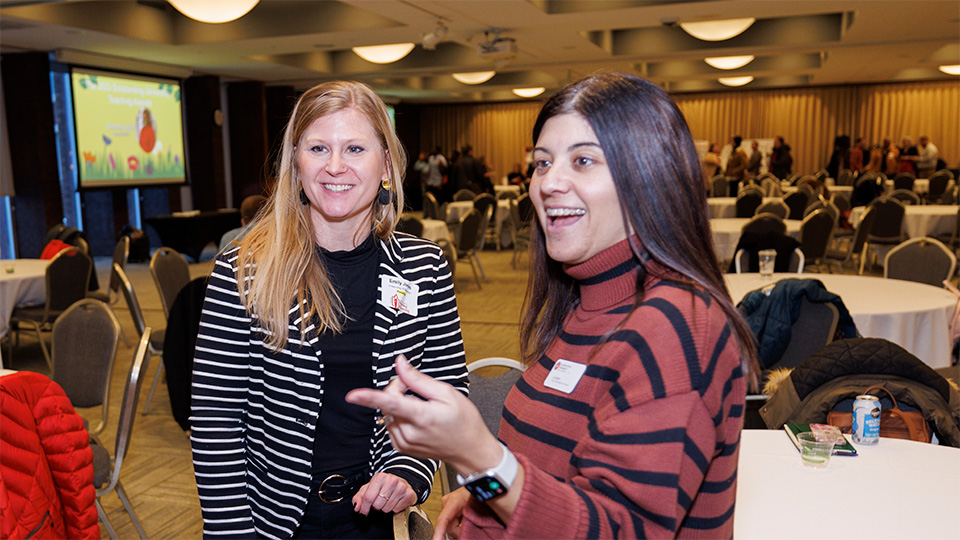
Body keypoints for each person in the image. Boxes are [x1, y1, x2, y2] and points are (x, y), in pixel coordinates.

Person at [347, 72, 760, 539]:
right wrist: (483, 492)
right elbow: (559, 462)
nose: (549, 183)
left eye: (583, 160)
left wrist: (479, 457)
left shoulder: (677, 325)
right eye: (542, 163)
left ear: (648, 174)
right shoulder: (586, 304)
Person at [190, 80, 468, 539]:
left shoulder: (425, 267)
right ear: (297, 163)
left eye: (355, 148)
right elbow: (215, 418)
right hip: (268, 522)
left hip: (375, 519)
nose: (335, 166)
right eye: (318, 148)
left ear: (386, 164)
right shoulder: (244, 270)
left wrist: (410, 472)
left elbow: (444, 389)